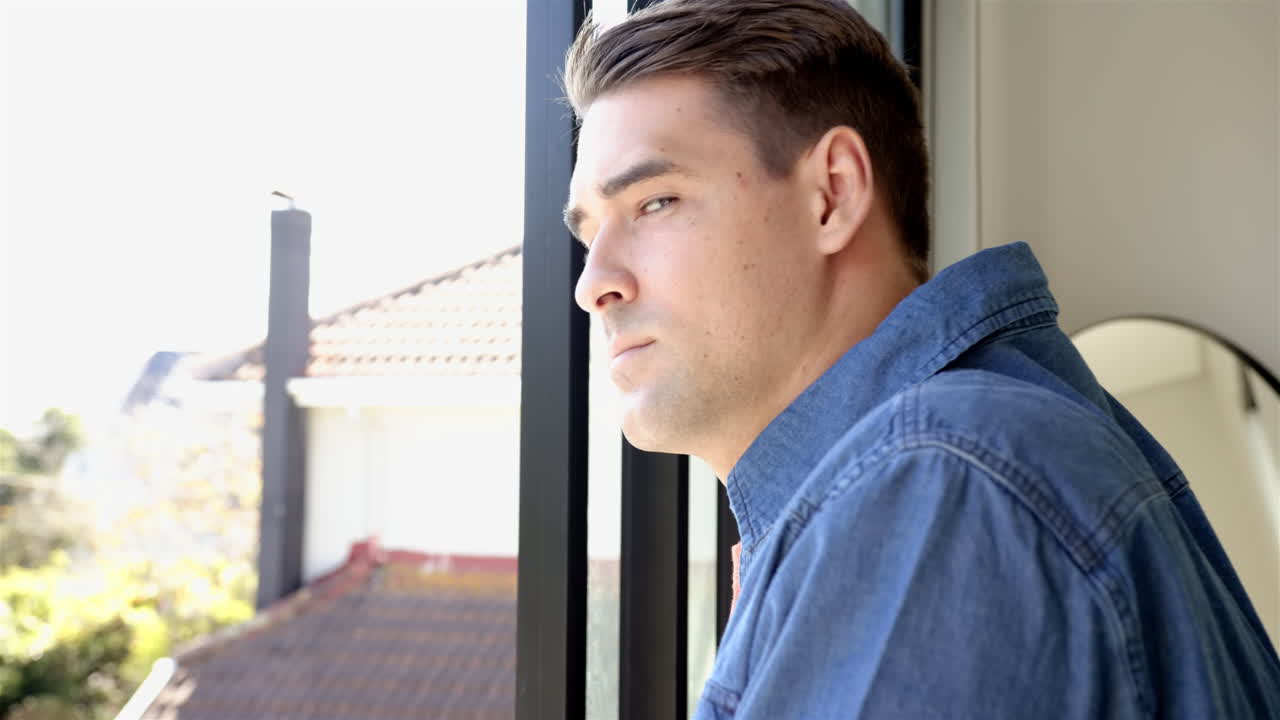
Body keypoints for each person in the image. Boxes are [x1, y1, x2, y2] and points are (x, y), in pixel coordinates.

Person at [561, 0, 1280, 717]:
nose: (594, 284)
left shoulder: (940, 480)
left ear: (833, 194)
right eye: (589, 235)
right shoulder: (951, 466)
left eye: (655, 203)